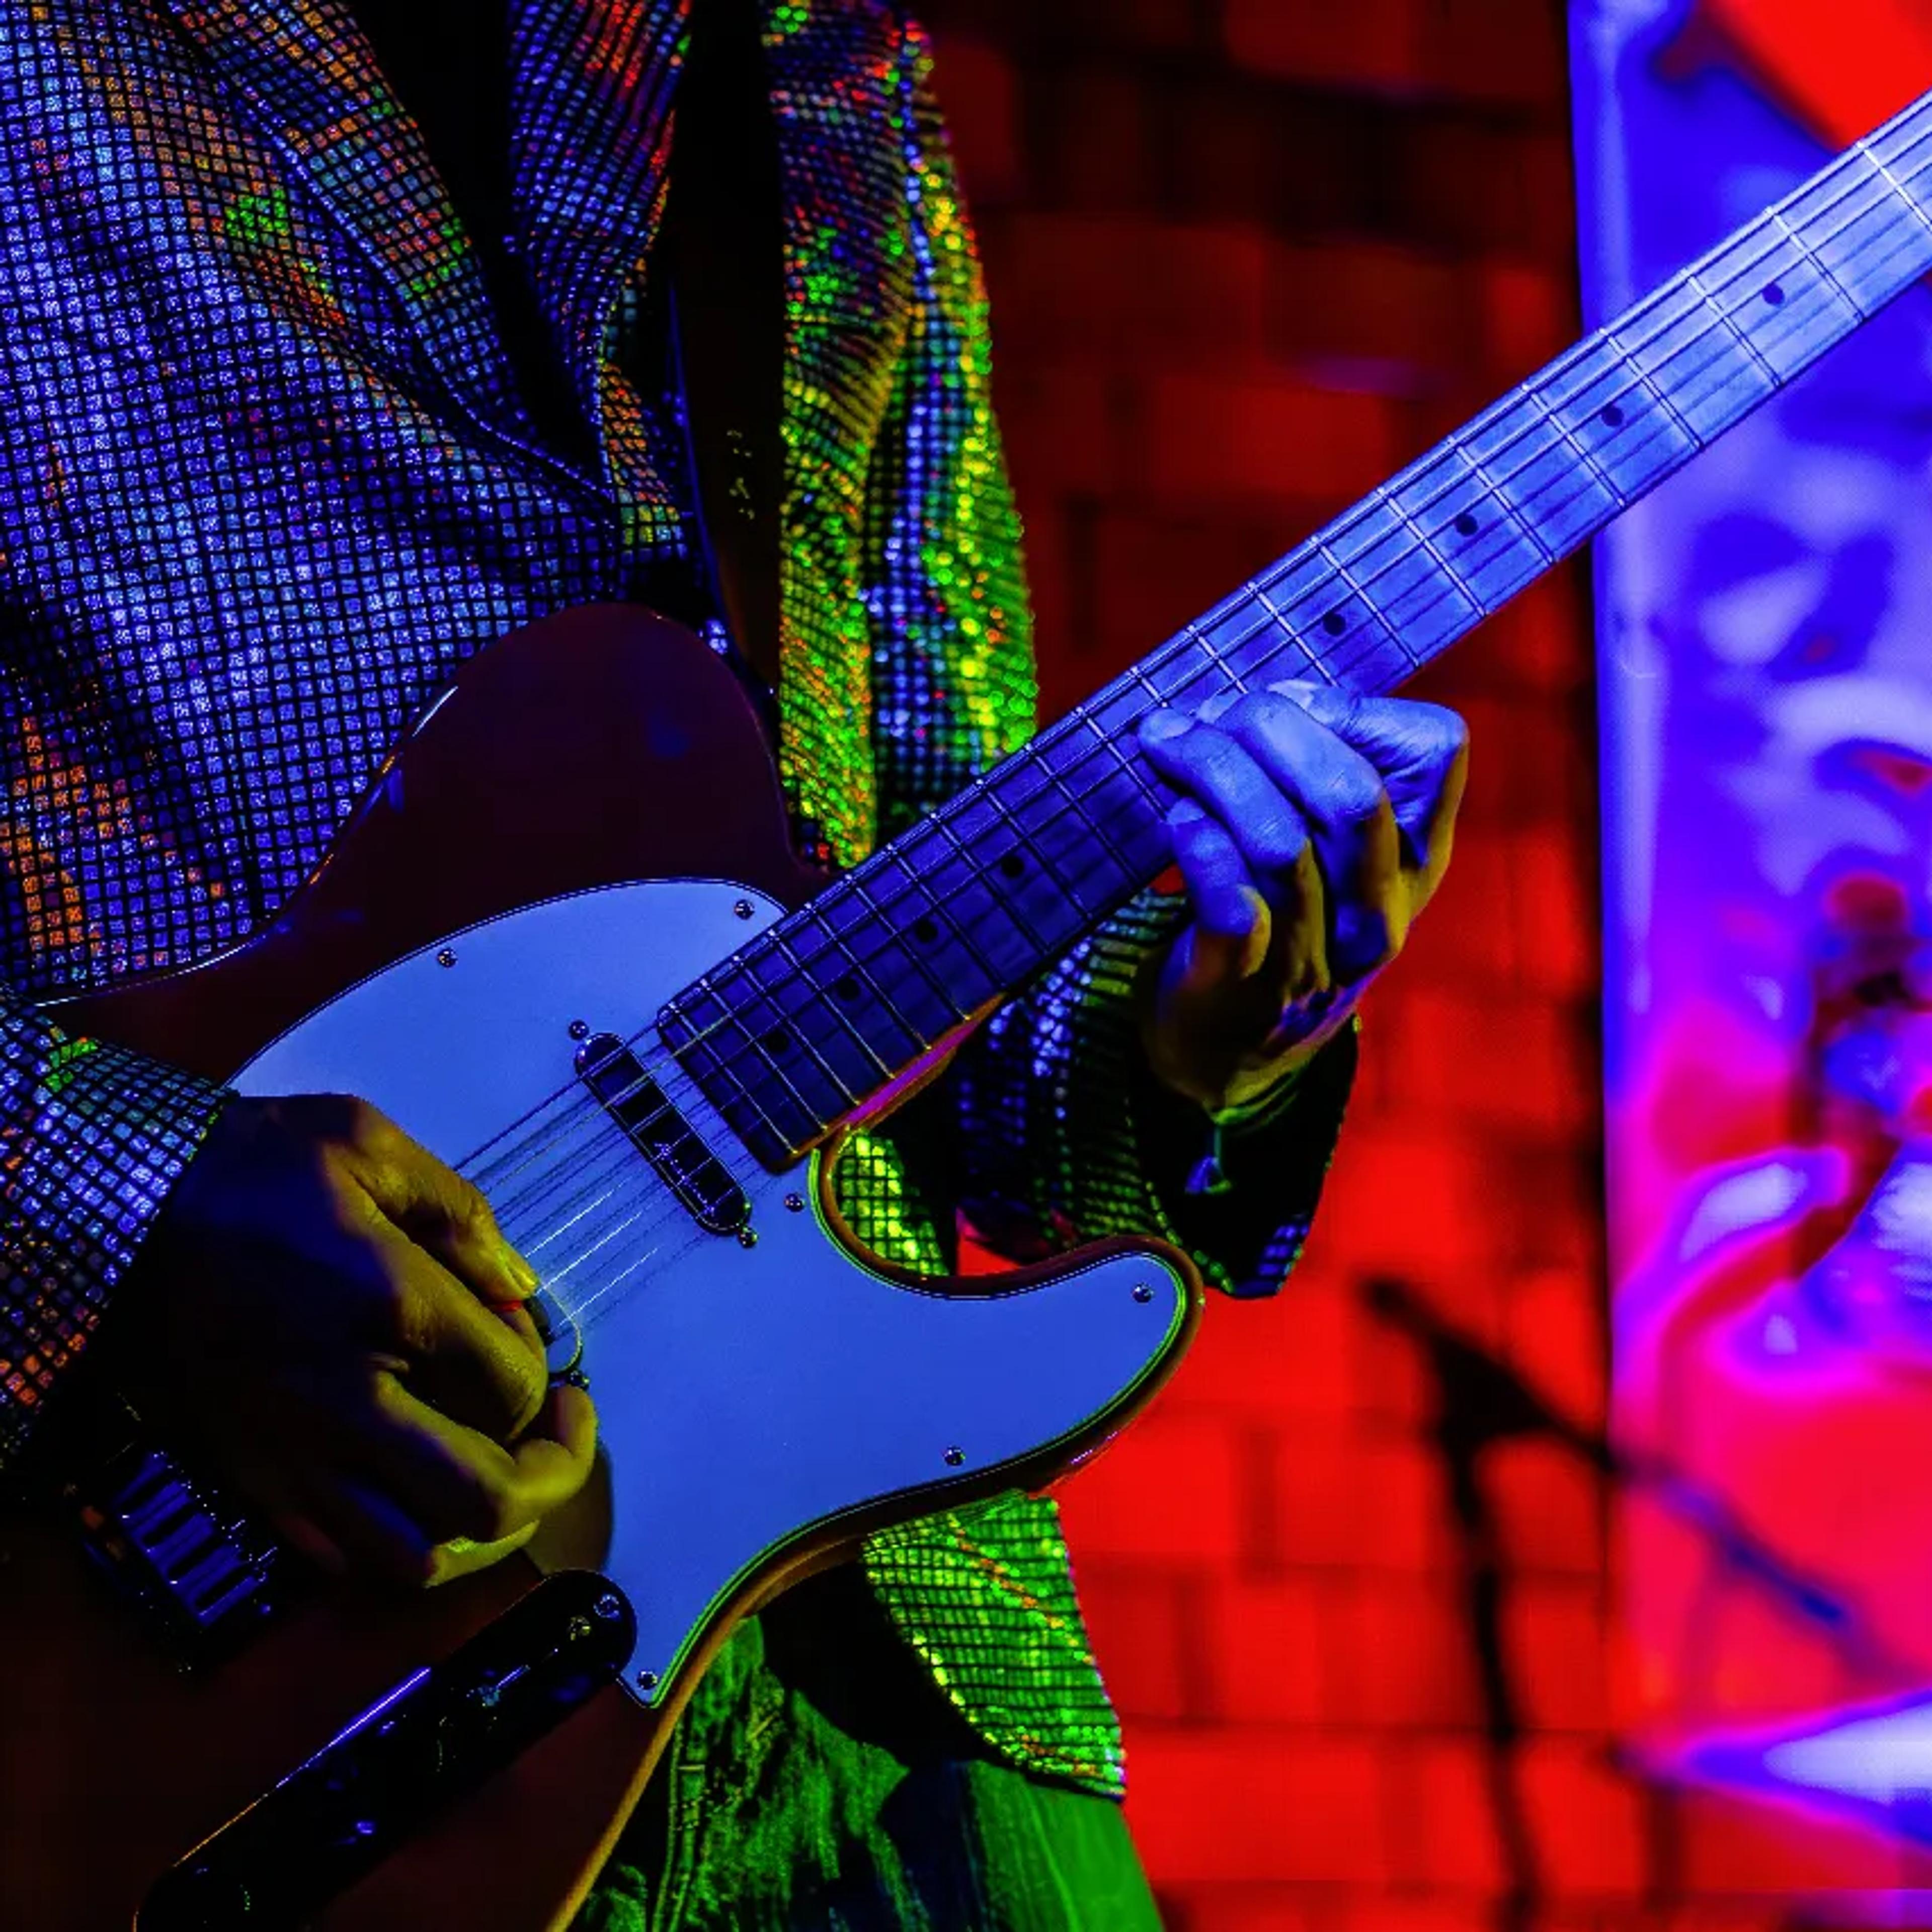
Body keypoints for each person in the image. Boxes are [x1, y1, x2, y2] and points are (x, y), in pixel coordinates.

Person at [0, 1, 1469, 1924]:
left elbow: (953, 896)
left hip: (896, 1675)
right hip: (194, 1619)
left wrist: (1199, 1019)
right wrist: (104, 1201)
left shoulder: (820, 52)